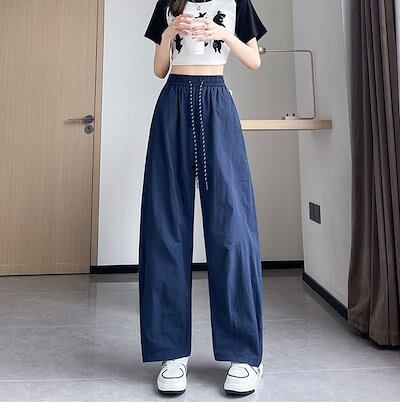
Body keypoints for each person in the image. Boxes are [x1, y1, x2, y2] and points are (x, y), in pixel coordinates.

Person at [139, 0, 268, 396]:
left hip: (216, 101)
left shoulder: (236, 2)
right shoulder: (169, 2)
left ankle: (244, 354)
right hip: (173, 103)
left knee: (232, 230)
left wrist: (222, 33)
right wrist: (168, 33)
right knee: (165, 229)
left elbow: (253, 60)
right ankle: (171, 353)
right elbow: (159, 68)